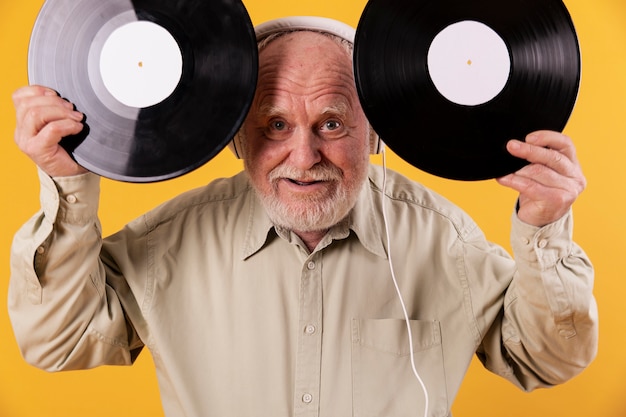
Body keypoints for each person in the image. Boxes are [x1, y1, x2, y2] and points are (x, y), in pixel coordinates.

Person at [9, 16, 597, 417]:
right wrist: (68, 182)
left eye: (333, 123)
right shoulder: (168, 243)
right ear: (237, 137)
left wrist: (543, 229)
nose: (305, 156)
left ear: (373, 135)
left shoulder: (445, 240)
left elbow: (544, 358)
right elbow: (58, 342)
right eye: (276, 124)